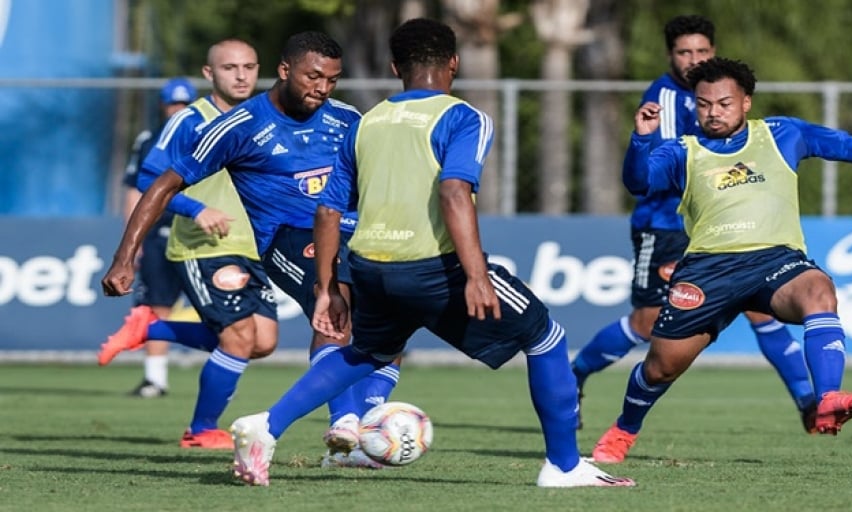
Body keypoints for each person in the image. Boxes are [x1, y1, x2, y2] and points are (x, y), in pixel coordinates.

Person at [225, 18, 635, 488]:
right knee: (546, 336)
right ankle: (564, 466)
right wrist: (477, 274)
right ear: (454, 64)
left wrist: (327, 289)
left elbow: (327, 210)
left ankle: (267, 426)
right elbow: (455, 191)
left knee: (365, 352)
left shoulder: (368, 120)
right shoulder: (464, 117)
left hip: (369, 267)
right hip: (432, 265)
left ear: (395, 66)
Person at [590, 57, 852, 463]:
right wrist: (641, 139)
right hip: (708, 270)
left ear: (746, 102)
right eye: (703, 104)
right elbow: (638, 182)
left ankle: (827, 399)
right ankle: (624, 430)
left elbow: (844, 145)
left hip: (775, 261)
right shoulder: (683, 150)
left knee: (819, 290)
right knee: (660, 368)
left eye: (724, 103)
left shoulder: (783, 134)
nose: (713, 113)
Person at [100, 31, 400, 466]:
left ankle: (369, 414)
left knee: (395, 306)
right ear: (284, 71)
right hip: (285, 242)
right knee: (334, 302)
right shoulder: (237, 125)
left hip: (351, 232)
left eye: (332, 80)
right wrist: (125, 256)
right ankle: (346, 422)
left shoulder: (347, 119)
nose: (321, 88)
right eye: (313, 77)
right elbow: (162, 182)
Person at [571, 14, 816, 433]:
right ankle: (574, 375)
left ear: (713, 52)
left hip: (718, 225)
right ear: (670, 55)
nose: (693, 59)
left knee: (763, 310)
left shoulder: (715, 94)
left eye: (701, 51)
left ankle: (809, 404)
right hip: (665, 224)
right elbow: (662, 170)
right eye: (684, 52)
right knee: (648, 323)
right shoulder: (663, 100)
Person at [99, 39, 278, 449]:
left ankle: (152, 326)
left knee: (263, 342)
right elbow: (148, 180)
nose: (241, 74)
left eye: (249, 66)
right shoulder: (188, 120)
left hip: (251, 246)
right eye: (230, 67)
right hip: (203, 246)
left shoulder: (262, 117)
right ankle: (200, 430)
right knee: (237, 339)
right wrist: (196, 209)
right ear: (208, 73)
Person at [113, 76, 198, 398]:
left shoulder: (207, 136)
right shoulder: (149, 140)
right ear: (163, 105)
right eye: (173, 103)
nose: (178, 109)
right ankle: (155, 379)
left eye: (184, 103)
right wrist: (130, 244)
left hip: (199, 233)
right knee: (158, 305)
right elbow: (135, 190)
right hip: (159, 234)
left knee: (229, 317)